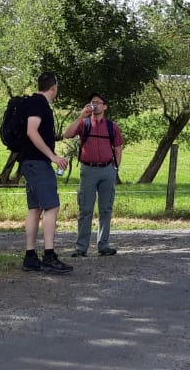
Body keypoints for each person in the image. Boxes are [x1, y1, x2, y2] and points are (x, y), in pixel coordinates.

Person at [17, 72, 73, 274]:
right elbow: (32, 131)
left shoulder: (32, 102)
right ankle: (49, 255)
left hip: (30, 162)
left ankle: (30, 257)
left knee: (35, 209)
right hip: (38, 163)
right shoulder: (39, 103)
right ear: (53, 87)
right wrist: (53, 156)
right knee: (52, 206)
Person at [62, 92, 125, 257]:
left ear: (105, 107)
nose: (95, 104)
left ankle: (103, 246)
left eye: (98, 102)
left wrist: (115, 168)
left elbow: (118, 147)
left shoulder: (111, 126)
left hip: (107, 170)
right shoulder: (84, 124)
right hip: (88, 171)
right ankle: (81, 248)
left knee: (106, 209)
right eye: (92, 102)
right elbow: (67, 134)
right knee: (85, 210)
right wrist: (81, 116)